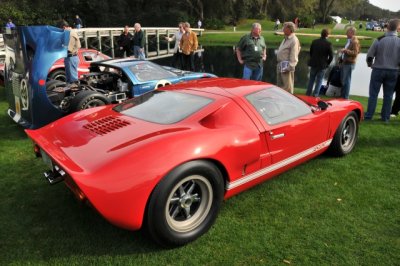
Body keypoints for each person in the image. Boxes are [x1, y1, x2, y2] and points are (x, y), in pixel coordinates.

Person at [364, 19, 400, 122]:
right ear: (397, 29)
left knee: (373, 94)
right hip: (393, 71)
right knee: (388, 95)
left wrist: (370, 64)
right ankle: (385, 118)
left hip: (378, 69)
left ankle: (369, 115)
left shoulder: (379, 39)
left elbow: (370, 55)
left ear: (388, 27)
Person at [306, 28, 333, 97]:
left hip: (314, 63)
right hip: (322, 65)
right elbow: (331, 56)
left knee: (311, 79)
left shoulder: (314, 41)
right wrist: (327, 64)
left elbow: (311, 52)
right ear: (327, 35)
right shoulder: (328, 44)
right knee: (319, 80)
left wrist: (313, 59)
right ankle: (315, 95)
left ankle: (308, 94)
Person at [276, 22, 300, 93]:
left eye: (284, 28)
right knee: (279, 87)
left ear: (290, 29)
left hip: (286, 67)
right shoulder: (285, 38)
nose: (283, 29)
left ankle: (287, 103)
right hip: (280, 65)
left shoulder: (294, 40)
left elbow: (294, 55)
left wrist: (289, 67)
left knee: (287, 89)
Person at [339, 26, 360, 99]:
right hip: (345, 62)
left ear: (352, 33)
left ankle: (345, 97)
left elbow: (355, 53)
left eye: (347, 32)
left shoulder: (354, 42)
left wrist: (345, 51)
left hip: (349, 63)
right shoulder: (349, 41)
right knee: (344, 80)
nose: (346, 33)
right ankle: (343, 96)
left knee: (346, 80)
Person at [57, 20, 81, 84]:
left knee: (73, 80)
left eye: (60, 29)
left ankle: (75, 93)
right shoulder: (69, 32)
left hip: (71, 58)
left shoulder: (70, 34)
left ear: (64, 27)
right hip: (70, 57)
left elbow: (68, 49)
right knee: (69, 79)